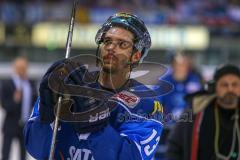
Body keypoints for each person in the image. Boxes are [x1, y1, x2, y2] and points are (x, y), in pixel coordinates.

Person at [24, 12, 164, 160]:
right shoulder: (70, 85)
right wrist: (46, 114)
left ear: (136, 55)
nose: (111, 47)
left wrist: (94, 123)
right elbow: (36, 150)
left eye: (122, 44)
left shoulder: (147, 104)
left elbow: (130, 156)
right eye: (107, 41)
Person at [166, 64, 240, 160]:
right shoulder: (196, 111)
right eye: (224, 85)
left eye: (235, 84)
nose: (230, 89)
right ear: (214, 87)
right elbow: (174, 146)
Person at [0, 57, 36, 160]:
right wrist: (15, 100)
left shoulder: (30, 83)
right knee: (6, 153)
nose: (22, 70)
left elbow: (35, 102)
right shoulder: (7, 84)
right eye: (20, 67)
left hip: (25, 125)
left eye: (24, 67)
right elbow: (5, 105)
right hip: (10, 124)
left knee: (23, 154)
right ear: (14, 68)